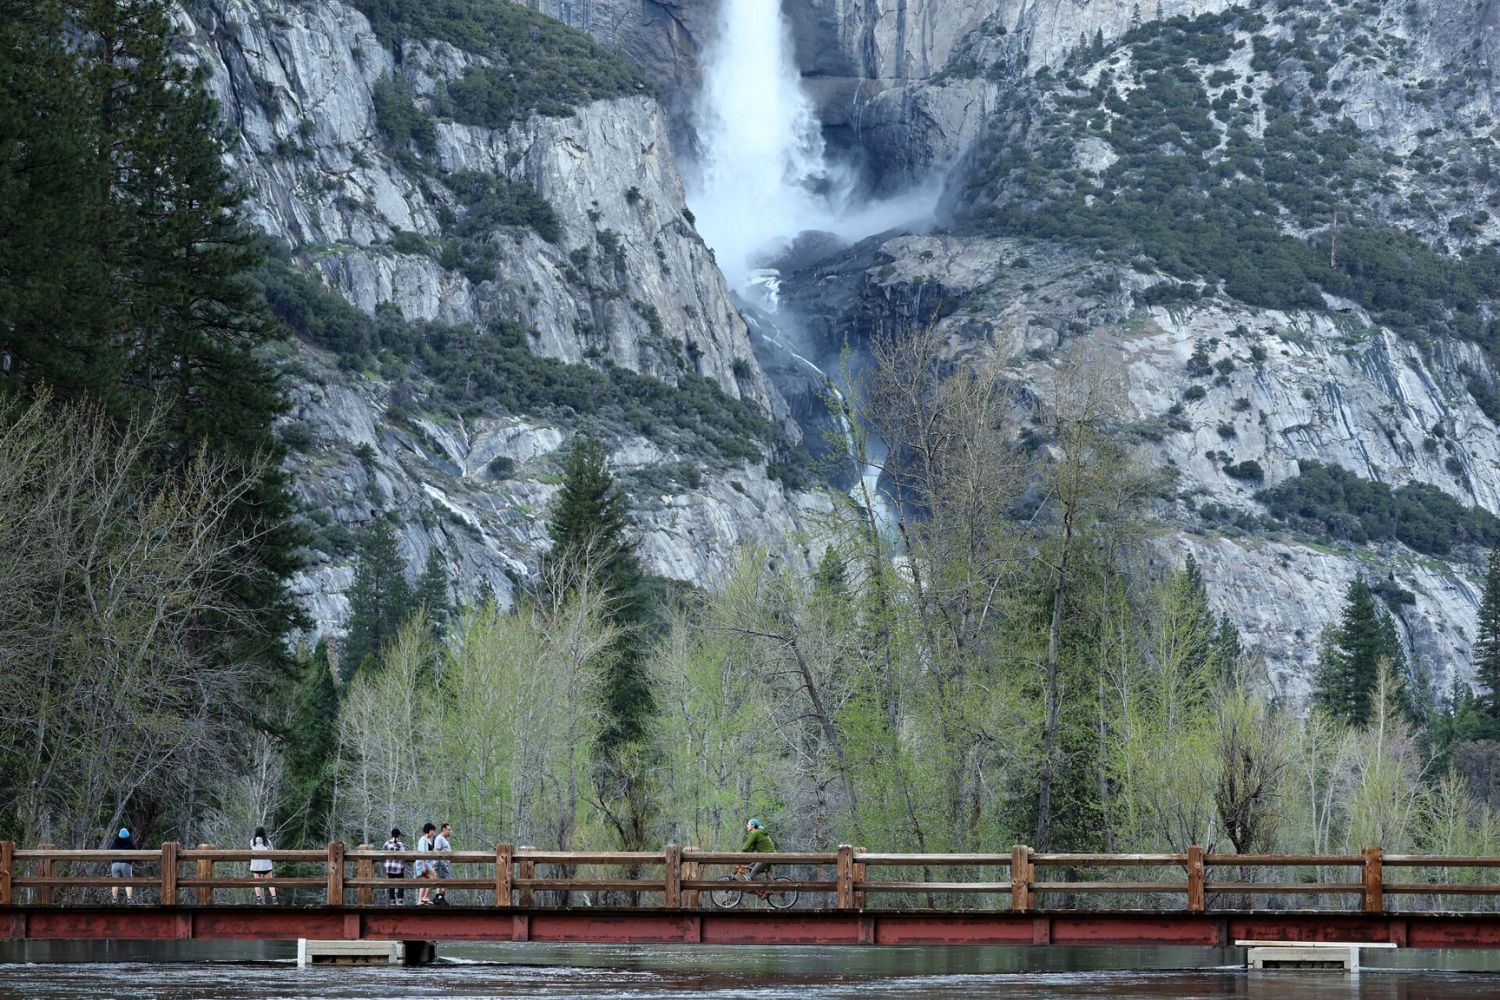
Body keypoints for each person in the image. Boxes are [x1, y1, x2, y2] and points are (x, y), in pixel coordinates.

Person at [740, 818, 775, 882]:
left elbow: (745, 847)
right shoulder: (758, 833)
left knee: (753, 874)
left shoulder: (756, 833)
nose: (747, 826)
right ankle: (755, 889)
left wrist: (739, 856)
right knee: (750, 866)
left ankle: (762, 888)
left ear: (753, 825)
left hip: (766, 857)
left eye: (748, 824)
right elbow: (751, 849)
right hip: (766, 856)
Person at [108, 826, 137, 903]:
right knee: (128, 882)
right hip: (126, 864)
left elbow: (110, 853)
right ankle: (129, 899)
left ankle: (114, 899)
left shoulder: (115, 843)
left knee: (115, 882)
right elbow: (136, 853)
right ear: (128, 835)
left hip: (115, 864)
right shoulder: (130, 843)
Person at [250, 826, 276, 904]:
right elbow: (272, 851)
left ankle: (259, 899)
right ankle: (274, 898)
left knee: (257, 882)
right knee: (270, 881)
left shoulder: (252, 841)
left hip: (256, 866)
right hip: (266, 865)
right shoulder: (267, 842)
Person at [382, 827, 407, 905]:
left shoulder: (387, 843)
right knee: (401, 883)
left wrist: (386, 863)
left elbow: (383, 853)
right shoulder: (400, 844)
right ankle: (400, 899)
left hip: (390, 867)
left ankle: (392, 900)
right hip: (399, 867)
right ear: (398, 835)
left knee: (391, 883)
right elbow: (404, 855)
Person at [414, 823, 437, 905]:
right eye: (431, 830)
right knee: (434, 878)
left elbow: (432, 851)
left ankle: (420, 900)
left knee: (424, 881)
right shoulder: (423, 839)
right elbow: (423, 853)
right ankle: (425, 897)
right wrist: (423, 865)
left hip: (427, 862)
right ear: (427, 830)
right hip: (423, 862)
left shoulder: (429, 839)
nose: (432, 832)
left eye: (433, 830)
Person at [432, 823, 453, 905]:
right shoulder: (439, 838)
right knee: (447, 880)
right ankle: (441, 897)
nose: (451, 831)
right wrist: (441, 861)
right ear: (444, 829)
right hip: (441, 863)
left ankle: (437, 897)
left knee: (441, 879)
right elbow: (437, 850)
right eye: (449, 829)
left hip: (443, 863)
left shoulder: (443, 839)